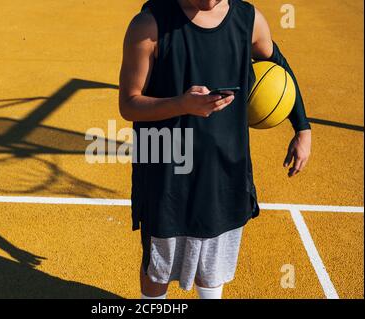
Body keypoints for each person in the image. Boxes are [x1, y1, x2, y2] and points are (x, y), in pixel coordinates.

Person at [118, 0, 312, 299]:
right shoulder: (149, 26)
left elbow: (280, 67)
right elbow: (129, 104)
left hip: (225, 170)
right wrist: (181, 104)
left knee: (213, 270)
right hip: (167, 173)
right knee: (158, 269)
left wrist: (302, 128)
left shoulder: (249, 20)